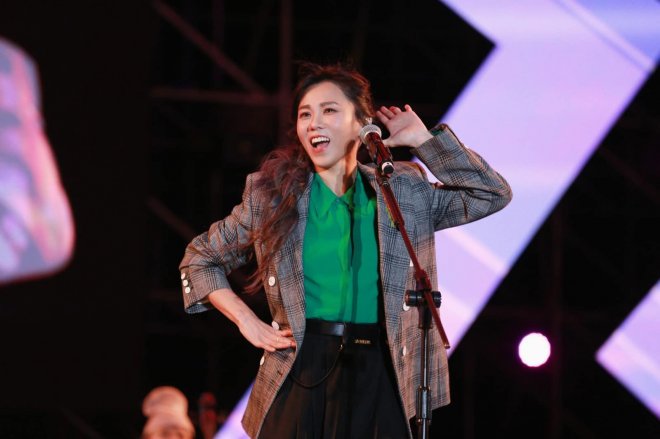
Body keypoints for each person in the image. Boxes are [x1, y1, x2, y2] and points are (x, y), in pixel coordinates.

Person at [179, 62, 512, 438]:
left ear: (362, 124)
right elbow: (200, 259)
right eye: (305, 114)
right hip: (301, 365)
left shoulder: (403, 189)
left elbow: (491, 194)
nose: (314, 124)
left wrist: (425, 141)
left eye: (329, 111)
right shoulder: (273, 196)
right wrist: (246, 320)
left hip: (383, 369)